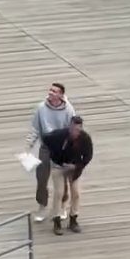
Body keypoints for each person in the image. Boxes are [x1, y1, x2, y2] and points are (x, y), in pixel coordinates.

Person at [25, 82, 75, 222]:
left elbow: (72, 130)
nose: (51, 93)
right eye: (50, 90)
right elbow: (35, 127)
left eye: (54, 91)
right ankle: (42, 206)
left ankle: (63, 206)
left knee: (62, 179)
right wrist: (29, 144)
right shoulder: (41, 108)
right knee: (41, 178)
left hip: (61, 149)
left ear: (61, 94)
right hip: (46, 148)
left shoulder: (69, 109)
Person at [41, 116, 93, 235]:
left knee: (76, 193)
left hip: (73, 167)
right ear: (69, 126)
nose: (75, 132)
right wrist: (53, 154)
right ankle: (57, 221)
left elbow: (88, 156)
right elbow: (45, 138)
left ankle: (73, 219)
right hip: (58, 166)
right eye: (73, 129)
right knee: (59, 193)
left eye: (78, 130)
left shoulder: (85, 139)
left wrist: (76, 166)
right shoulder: (59, 135)